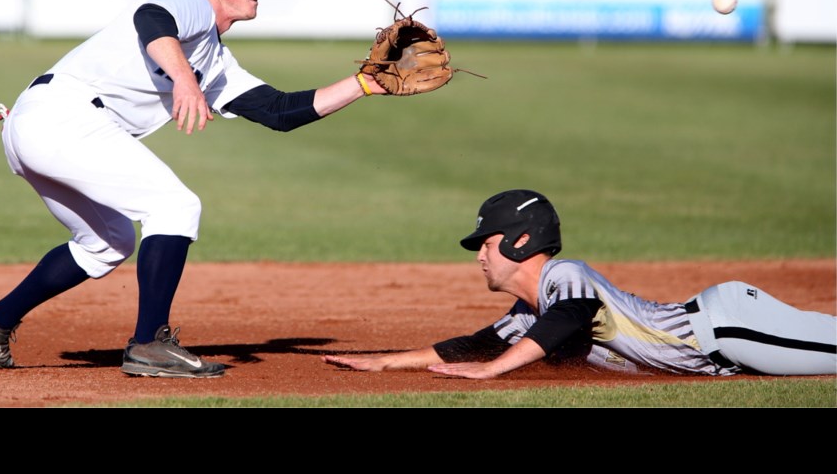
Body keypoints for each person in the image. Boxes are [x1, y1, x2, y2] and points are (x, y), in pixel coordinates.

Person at [0, 0, 390, 379]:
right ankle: (149, 344)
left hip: (42, 125)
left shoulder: (215, 60)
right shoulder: (190, 1)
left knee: (108, 242)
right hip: (63, 118)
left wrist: (364, 83)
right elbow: (152, 18)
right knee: (174, 206)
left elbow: (280, 111)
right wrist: (183, 79)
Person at [322, 189, 837, 378]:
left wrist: (495, 372)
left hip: (728, 328)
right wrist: (389, 360)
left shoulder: (566, 278)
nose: (480, 253)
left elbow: (569, 321)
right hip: (721, 346)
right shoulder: (531, 312)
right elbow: (472, 345)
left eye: (487, 241)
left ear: (522, 241)